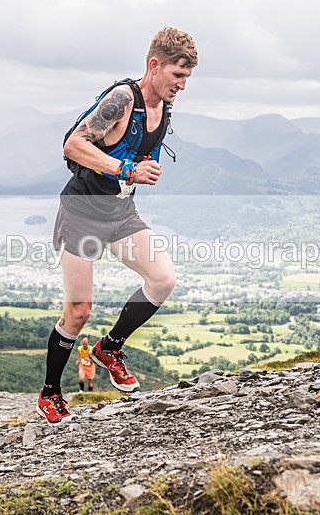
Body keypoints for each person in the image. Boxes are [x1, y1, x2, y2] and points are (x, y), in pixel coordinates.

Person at [36, 27, 198, 425]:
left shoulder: (164, 109)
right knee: (79, 311)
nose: (182, 85)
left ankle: (110, 347)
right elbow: (73, 145)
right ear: (154, 65)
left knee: (163, 280)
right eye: (178, 75)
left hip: (120, 212)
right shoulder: (123, 99)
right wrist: (126, 167)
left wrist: (143, 171)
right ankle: (51, 392)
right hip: (82, 211)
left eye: (187, 78)